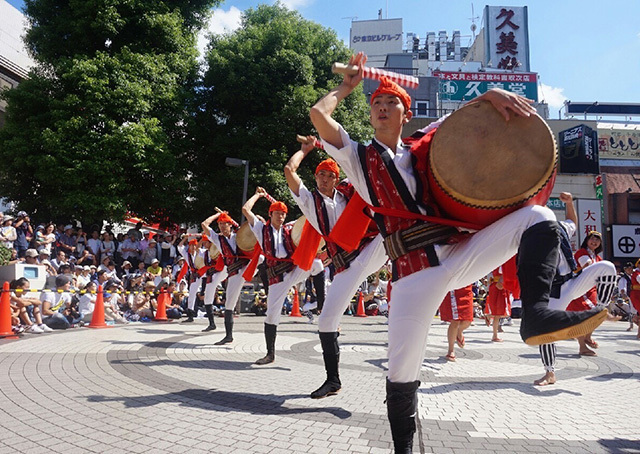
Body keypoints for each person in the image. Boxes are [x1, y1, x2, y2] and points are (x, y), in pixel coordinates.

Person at [310, 52, 606, 453]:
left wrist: (493, 90)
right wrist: (345, 88)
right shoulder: (358, 157)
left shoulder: (423, 148)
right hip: (415, 274)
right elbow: (318, 115)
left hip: (457, 254)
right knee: (401, 372)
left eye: (391, 102)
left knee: (537, 216)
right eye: (376, 103)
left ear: (405, 112)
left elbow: (461, 117)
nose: (382, 107)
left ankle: (535, 314)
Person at [284, 136, 387, 397]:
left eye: (329, 175)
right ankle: (333, 380)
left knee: (389, 229)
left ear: (336, 178)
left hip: (368, 253)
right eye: (320, 175)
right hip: (346, 267)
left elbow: (360, 167)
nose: (323, 179)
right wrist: (305, 150)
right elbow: (289, 171)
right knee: (326, 321)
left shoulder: (349, 192)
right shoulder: (309, 202)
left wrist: (327, 144)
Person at [534, 192, 617, 385]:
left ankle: (600, 309)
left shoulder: (561, 229)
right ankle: (549, 372)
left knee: (608, 267)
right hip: (554, 292)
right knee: (545, 331)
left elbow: (572, 220)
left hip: (572, 282)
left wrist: (570, 203)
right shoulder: (529, 238)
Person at [242, 187, 322, 365]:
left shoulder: (289, 228)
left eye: (283, 214)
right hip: (276, 277)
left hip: (292, 271)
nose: (281, 216)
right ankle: (270, 354)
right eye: (277, 213)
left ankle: (321, 305)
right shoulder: (261, 228)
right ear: (270, 214)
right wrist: (258, 195)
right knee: (272, 315)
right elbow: (246, 210)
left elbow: (308, 218)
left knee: (317, 264)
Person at [202, 211, 252, 345]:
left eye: (225, 224)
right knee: (229, 304)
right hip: (234, 273)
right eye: (220, 224)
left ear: (231, 225)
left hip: (246, 267)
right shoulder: (218, 240)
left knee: (261, 258)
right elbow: (204, 224)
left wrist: (257, 219)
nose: (222, 227)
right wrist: (217, 216)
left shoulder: (239, 236)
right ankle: (228, 336)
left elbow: (255, 231)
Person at [566, 230, 614, 355]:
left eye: (597, 240)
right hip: (580, 288)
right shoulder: (582, 252)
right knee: (583, 318)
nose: (594, 242)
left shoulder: (597, 257)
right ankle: (582, 346)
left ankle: (587, 336)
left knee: (597, 314)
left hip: (591, 290)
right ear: (587, 241)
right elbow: (586, 265)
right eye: (592, 239)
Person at [197, 235, 226, 332]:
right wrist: (202, 237)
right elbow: (197, 248)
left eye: (206, 242)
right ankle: (212, 324)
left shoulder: (217, 249)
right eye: (204, 243)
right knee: (207, 300)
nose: (204, 244)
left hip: (219, 271)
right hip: (210, 276)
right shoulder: (204, 253)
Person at [439, 285, 474, 361]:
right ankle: (451, 350)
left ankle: (459, 331)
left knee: (468, 320)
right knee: (455, 320)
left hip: (466, 287)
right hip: (454, 286)